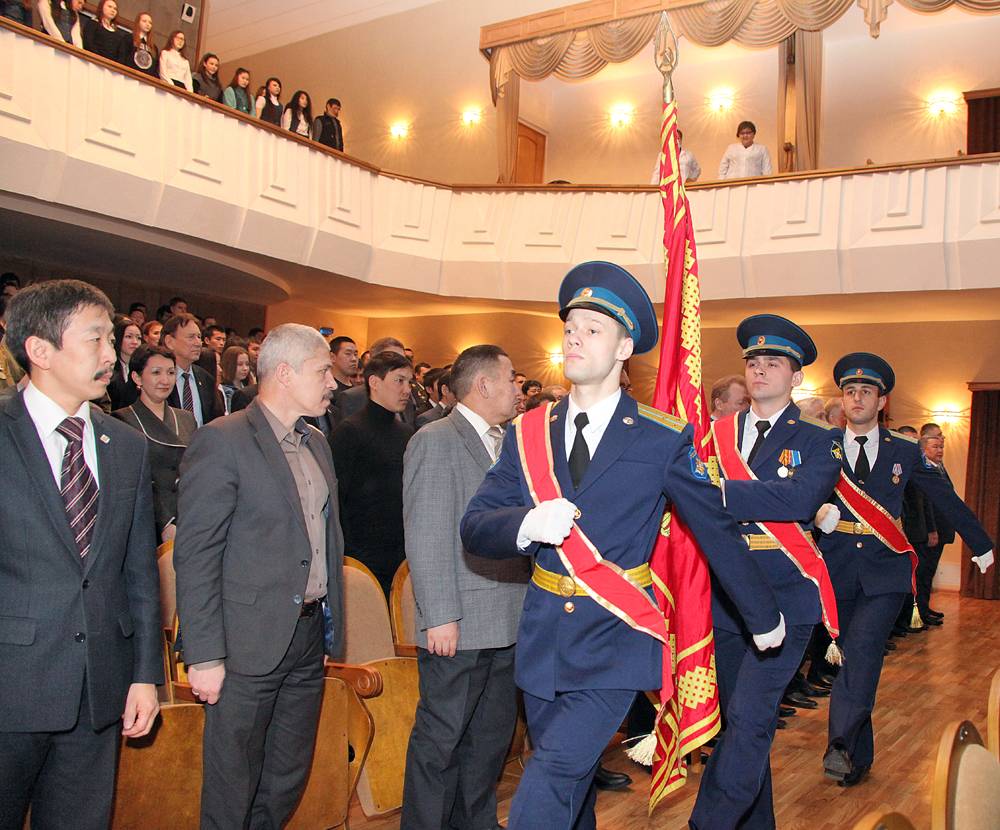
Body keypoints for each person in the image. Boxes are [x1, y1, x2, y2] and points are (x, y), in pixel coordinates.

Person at [461, 262, 784, 830]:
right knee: (573, 786)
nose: (574, 339)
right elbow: (475, 525)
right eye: (570, 329)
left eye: (592, 329)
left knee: (553, 773)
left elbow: (714, 528)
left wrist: (761, 613)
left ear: (624, 347)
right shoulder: (527, 433)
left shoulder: (662, 437)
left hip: (616, 637)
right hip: (544, 640)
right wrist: (526, 522)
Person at [0, 279, 161, 829]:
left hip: (99, 689)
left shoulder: (127, 445)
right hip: (10, 684)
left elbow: (139, 574)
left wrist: (145, 675)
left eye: (112, 339)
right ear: (40, 350)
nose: (111, 354)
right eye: (95, 339)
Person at [174, 323, 344, 829]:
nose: (333, 382)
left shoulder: (316, 442)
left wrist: (330, 630)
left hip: (307, 636)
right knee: (233, 783)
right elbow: (197, 555)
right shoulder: (222, 440)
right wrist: (204, 654)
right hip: (244, 643)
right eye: (323, 371)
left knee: (286, 777)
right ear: (285, 373)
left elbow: (326, 539)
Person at [690, 313, 844, 830]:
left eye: (772, 362)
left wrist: (717, 493)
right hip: (726, 598)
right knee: (739, 725)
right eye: (753, 361)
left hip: (786, 595)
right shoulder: (715, 434)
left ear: (796, 376)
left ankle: (706, 824)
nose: (759, 369)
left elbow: (799, 500)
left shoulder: (820, 438)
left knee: (751, 719)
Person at [816, 353, 993, 788]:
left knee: (862, 651)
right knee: (855, 660)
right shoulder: (823, 445)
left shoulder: (904, 450)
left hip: (885, 572)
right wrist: (815, 514)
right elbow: (795, 494)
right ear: (843, 399)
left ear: (881, 402)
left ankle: (839, 743)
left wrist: (982, 543)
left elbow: (945, 498)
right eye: (850, 391)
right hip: (836, 568)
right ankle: (857, 757)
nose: (857, 398)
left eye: (866, 392)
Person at [401, 345, 529, 830]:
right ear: (484, 384)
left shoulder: (511, 442)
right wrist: (439, 616)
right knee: (442, 742)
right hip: (458, 621)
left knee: (489, 741)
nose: (517, 388)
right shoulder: (436, 440)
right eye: (511, 378)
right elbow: (427, 532)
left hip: (508, 616)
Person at [329, 351, 415, 598]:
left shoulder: (406, 433)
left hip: (401, 554)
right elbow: (336, 499)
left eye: (409, 382)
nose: (407, 390)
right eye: (399, 381)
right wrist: (349, 555)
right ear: (374, 382)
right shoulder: (349, 432)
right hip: (361, 558)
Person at [112, 344, 196, 543]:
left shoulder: (186, 418)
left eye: (170, 372)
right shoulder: (122, 420)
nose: (165, 380)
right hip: (148, 521)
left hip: (188, 516)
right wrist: (165, 522)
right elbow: (131, 483)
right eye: (156, 373)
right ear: (137, 377)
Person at [161, 313, 219, 426]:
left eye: (199, 337)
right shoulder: (158, 378)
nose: (198, 343)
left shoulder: (206, 379)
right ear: (169, 341)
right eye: (191, 337)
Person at [107, 315, 141, 410]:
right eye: (129, 337)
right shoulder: (109, 367)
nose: (135, 342)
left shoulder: (142, 367)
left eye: (139, 338)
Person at [82, 0, 129, 65]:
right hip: (92, 62)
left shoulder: (118, 34)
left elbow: (121, 54)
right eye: (109, 7)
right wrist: (99, 59)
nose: (113, 10)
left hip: (111, 67)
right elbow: (88, 43)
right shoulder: (93, 24)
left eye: (115, 9)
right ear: (101, 8)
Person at [219, 345, 251, 415]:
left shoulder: (247, 386)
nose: (245, 368)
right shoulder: (224, 390)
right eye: (240, 364)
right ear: (229, 365)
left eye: (247, 364)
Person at [125, 11, 157, 77]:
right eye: (144, 21)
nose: (148, 24)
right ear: (138, 23)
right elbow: (122, 58)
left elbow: (154, 68)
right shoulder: (129, 38)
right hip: (129, 76)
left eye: (150, 23)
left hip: (145, 79)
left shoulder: (154, 47)